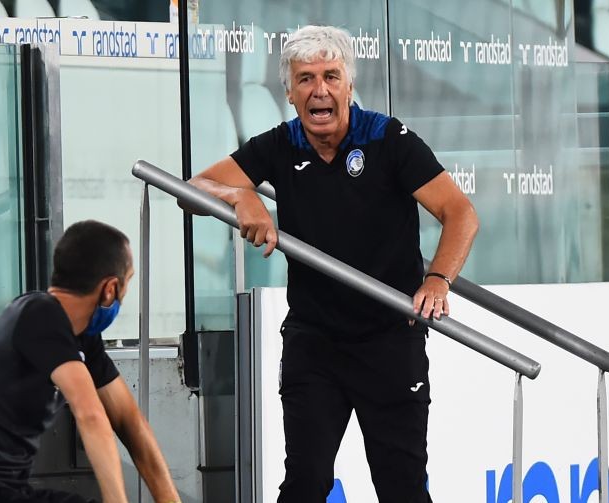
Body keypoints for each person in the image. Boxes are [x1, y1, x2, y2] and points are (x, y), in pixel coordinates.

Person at [185, 25, 478, 503]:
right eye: (305, 79)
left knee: (401, 488)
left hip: (389, 338)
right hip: (315, 342)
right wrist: (243, 197)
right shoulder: (280, 144)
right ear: (289, 92)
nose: (319, 90)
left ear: (349, 85)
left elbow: (460, 213)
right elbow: (194, 191)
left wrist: (438, 279)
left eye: (331, 76)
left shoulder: (388, 139)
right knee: (306, 483)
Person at [0, 220, 182, 503]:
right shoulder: (39, 314)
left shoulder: (80, 335)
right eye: (128, 282)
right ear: (110, 288)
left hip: (2, 490)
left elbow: (129, 423)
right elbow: (90, 414)